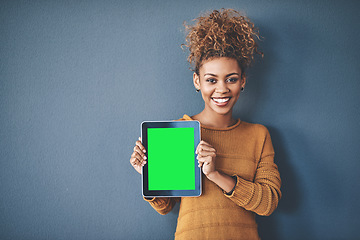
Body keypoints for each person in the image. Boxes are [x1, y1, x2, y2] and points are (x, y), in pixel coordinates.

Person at [130, 8, 281, 240]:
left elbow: (268, 202)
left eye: (231, 79)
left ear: (242, 81)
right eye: (211, 80)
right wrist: (148, 175)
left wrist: (215, 175)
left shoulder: (258, 135)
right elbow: (165, 206)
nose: (221, 89)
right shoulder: (176, 131)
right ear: (197, 81)